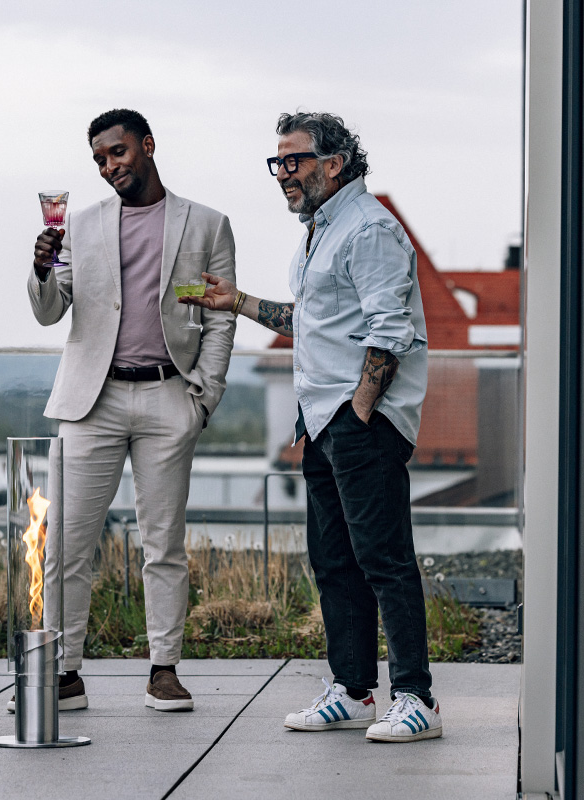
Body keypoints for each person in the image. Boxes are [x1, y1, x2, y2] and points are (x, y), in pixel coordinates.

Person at [179, 112, 441, 742]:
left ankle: (417, 699)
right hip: (322, 424)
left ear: (335, 163)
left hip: (360, 424)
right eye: (277, 162)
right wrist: (236, 301)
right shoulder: (322, 231)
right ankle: (352, 690)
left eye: (292, 161)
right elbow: (311, 319)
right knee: (334, 562)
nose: (282, 174)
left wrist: (359, 410)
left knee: (384, 560)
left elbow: (390, 330)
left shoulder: (372, 229)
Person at [24, 108, 237, 712]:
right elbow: (48, 311)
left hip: (171, 396)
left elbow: (219, 317)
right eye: (98, 160)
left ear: (146, 145)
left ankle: (164, 668)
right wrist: (42, 267)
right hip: (92, 400)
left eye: (116, 153)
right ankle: (63, 672)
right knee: (66, 542)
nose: (108, 166)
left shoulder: (207, 224)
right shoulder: (81, 226)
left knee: (164, 543)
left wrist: (205, 396)